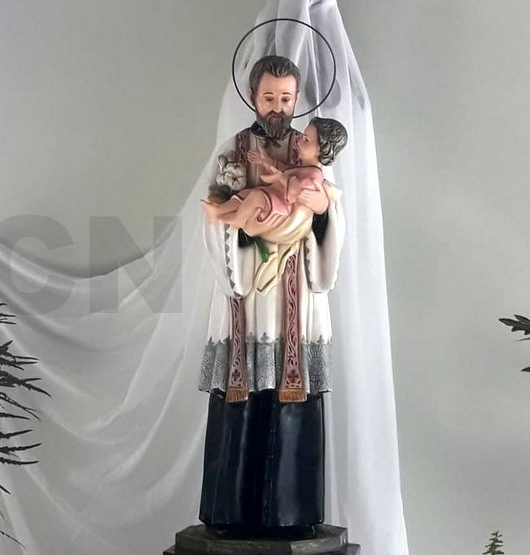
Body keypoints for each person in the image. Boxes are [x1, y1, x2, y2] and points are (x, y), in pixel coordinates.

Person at [198, 55, 345, 537]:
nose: (277, 108)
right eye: (268, 97)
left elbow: (332, 211)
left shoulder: (312, 149)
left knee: (292, 392)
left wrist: (322, 213)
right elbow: (214, 211)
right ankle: (232, 513)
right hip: (249, 290)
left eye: (285, 98)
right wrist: (242, 230)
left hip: (297, 292)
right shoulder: (234, 150)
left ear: (297, 98)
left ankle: (290, 512)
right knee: (241, 394)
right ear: (253, 97)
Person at [200, 117, 347, 242]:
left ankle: (233, 219)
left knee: (256, 197)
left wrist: (280, 177)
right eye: (303, 135)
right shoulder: (303, 167)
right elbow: (286, 169)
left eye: (306, 140)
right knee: (245, 195)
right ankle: (218, 211)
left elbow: (298, 190)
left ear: (320, 150)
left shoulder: (315, 176)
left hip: (280, 207)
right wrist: (267, 162)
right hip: (272, 196)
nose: (299, 140)